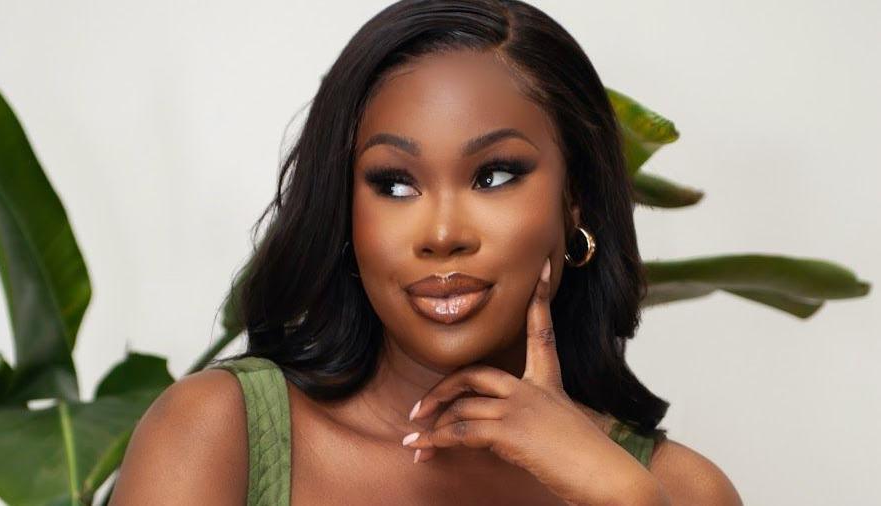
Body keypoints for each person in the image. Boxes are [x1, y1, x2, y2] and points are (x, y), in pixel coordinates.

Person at [110, 0, 743, 504]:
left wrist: (624, 500)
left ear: (574, 198)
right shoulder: (218, 435)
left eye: (494, 176)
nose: (441, 234)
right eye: (394, 183)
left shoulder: (680, 492)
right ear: (347, 212)